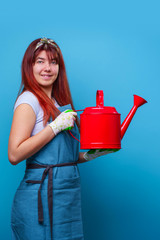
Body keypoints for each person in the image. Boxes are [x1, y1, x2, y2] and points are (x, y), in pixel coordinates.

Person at [8, 37, 113, 240]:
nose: (47, 68)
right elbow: (14, 154)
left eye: (53, 62)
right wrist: (54, 127)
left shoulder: (59, 103)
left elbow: (64, 158)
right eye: (40, 61)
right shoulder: (28, 101)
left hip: (66, 197)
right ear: (29, 66)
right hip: (39, 197)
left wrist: (91, 155)